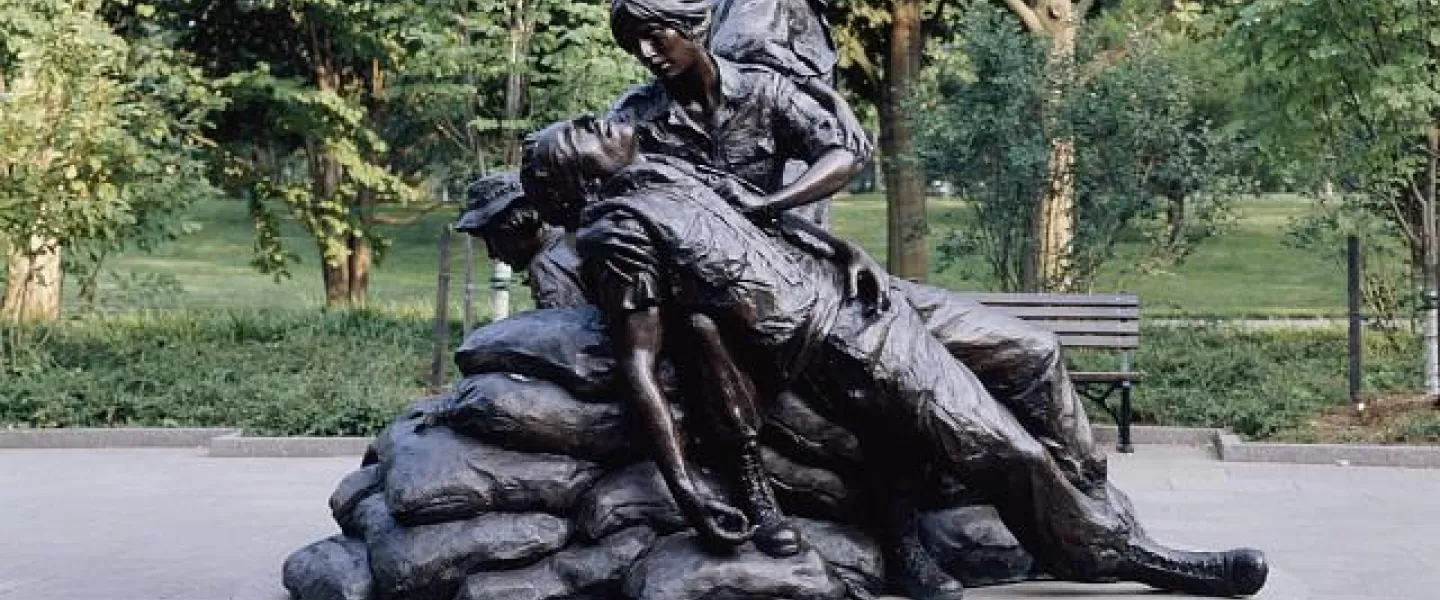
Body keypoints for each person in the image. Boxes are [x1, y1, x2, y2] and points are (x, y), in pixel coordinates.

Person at [520, 115, 1270, 599]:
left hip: (872, 293)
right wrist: (687, 491)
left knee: (1036, 351)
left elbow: (768, 223)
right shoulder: (616, 235)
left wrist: (846, 249)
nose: (596, 120)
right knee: (1008, 454)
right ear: (579, 176)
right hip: (845, 342)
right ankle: (1129, 556)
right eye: (578, 133)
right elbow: (641, 368)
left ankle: (1082, 496)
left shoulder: (666, 169)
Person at [606, 0, 869, 226]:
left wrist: (766, 204)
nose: (646, 53)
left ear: (692, 27)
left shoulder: (763, 90)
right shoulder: (634, 115)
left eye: (654, 36)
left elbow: (846, 154)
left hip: (772, 249)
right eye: (633, 44)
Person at [455, 172, 587, 310]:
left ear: (518, 224)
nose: (491, 254)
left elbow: (563, 322)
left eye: (494, 240)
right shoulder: (571, 240)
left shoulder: (547, 268)